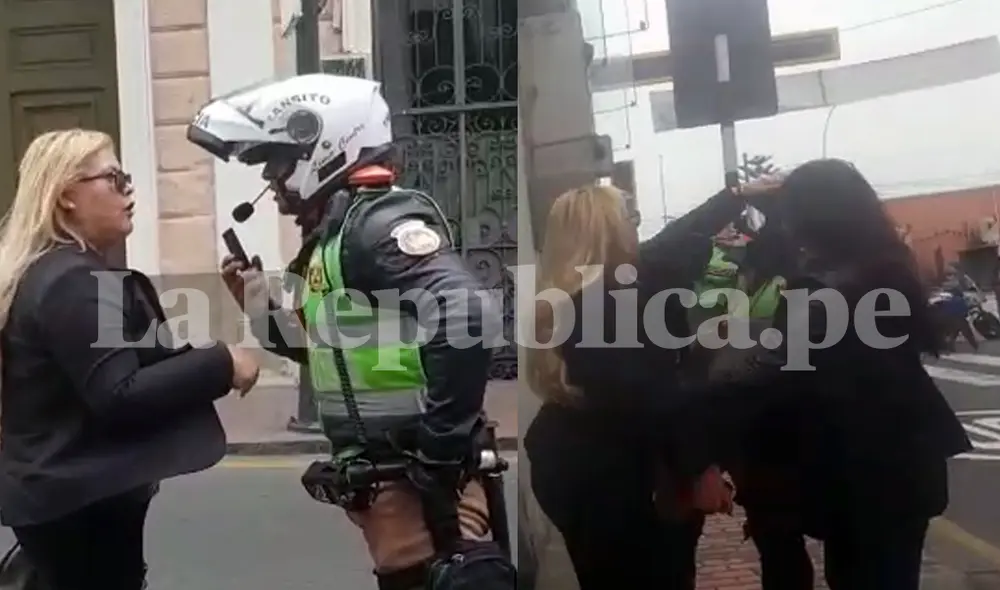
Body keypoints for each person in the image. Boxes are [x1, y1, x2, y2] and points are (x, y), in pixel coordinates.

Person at [187, 74, 513, 589]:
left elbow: (468, 316)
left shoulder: (378, 224)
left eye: (280, 166)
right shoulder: (338, 239)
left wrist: (439, 452)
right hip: (396, 494)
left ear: (325, 147)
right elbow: (324, 351)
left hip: (425, 502)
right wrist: (256, 301)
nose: (273, 184)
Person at [0, 129, 261, 590]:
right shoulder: (70, 280)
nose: (130, 190)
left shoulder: (60, 272)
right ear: (67, 197)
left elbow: (131, 365)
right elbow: (118, 393)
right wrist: (223, 362)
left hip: (70, 498)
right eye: (115, 178)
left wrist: (256, 313)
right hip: (77, 504)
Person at [523, 181, 779, 589]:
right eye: (629, 218)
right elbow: (654, 398)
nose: (636, 229)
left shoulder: (575, 294)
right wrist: (700, 469)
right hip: (617, 479)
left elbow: (669, 244)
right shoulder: (607, 305)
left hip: (578, 462)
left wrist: (735, 195)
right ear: (609, 229)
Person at [735, 159, 971, 589]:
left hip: (866, 482)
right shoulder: (886, 269)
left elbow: (773, 372)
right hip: (899, 474)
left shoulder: (826, 295)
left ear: (810, 220)